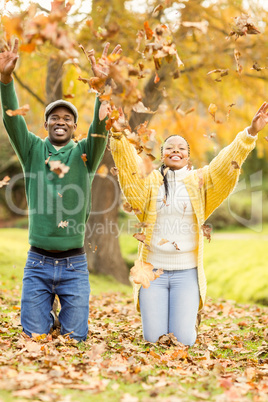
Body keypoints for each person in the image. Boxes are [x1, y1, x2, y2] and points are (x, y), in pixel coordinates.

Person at [110, 104, 268, 345]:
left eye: (181, 148)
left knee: (183, 340)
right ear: (162, 154)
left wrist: (249, 134)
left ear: (188, 155)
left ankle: (188, 319)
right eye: (170, 148)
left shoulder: (199, 181)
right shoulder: (150, 181)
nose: (176, 151)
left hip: (187, 273)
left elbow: (224, 166)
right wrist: (118, 133)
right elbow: (128, 167)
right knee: (153, 339)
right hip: (153, 273)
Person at [0, 38, 121, 341]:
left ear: (74, 127)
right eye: (55, 117)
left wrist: (103, 86)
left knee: (75, 338)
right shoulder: (32, 151)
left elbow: (102, 125)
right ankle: (43, 315)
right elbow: (13, 121)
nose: (61, 122)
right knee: (34, 336)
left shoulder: (85, 154)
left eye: (67, 118)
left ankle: (62, 318)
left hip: (74, 264)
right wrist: (5, 80)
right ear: (46, 124)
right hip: (37, 263)